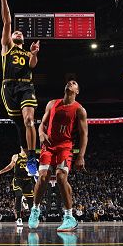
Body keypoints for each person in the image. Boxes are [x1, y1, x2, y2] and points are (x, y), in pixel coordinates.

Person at [28, 80, 89, 232]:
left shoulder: (79, 110)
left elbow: (84, 135)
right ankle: (35, 210)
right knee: (43, 177)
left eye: (74, 83)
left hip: (65, 146)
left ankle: (69, 217)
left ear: (77, 91)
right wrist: (41, 133)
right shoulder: (52, 103)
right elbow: (42, 123)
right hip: (48, 146)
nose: (71, 82)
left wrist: (81, 156)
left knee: (61, 177)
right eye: (69, 82)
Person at [0, 0, 41, 176]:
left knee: (30, 121)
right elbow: (7, 21)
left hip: (26, 87)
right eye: (16, 32)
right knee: (20, 125)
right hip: (9, 88)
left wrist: (34, 53)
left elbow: (32, 65)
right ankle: (24, 148)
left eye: (20, 32)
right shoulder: (7, 47)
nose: (17, 32)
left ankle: (32, 156)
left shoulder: (27, 52)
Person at [0, 148, 35, 227]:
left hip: (28, 180)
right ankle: (19, 218)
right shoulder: (16, 156)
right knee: (19, 196)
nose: (26, 148)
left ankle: (32, 218)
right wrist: (1, 171)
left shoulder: (30, 156)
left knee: (31, 200)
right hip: (18, 180)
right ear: (21, 147)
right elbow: (10, 166)